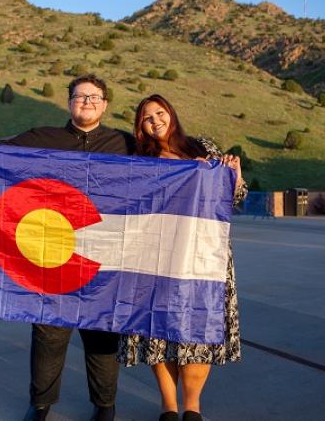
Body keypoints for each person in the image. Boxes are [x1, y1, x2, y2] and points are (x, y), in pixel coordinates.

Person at [0, 74, 135, 421]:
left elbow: (167, 161)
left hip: (103, 256)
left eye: (95, 97)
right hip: (52, 253)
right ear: (69, 102)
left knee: (102, 336)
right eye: (80, 96)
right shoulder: (42, 138)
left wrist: (209, 167)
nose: (87, 101)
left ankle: (105, 405)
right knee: (48, 336)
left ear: (105, 104)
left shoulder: (124, 144)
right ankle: (40, 404)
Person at [116, 94, 247, 421]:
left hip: (203, 256)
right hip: (156, 258)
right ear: (141, 128)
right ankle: (169, 407)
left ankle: (193, 408)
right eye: (147, 118)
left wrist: (235, 176)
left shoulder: (203, 148)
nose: (155, 120)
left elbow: (233, 200)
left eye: (160, 113)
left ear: (171, 114)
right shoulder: (141, 161)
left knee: (196, 331)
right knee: (158, 334)